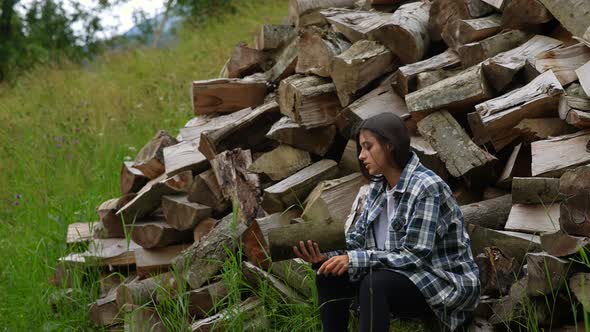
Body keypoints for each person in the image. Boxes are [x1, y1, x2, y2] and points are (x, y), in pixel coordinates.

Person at [293, 112, 480, 332]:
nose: (361, 156)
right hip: (397, 278)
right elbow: (356, 241)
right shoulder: (378, 188)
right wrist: (326, 258)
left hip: (440, 283)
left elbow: (413, 257)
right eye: (361, 148)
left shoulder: (426, 187)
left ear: (390, 145)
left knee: (374, 283)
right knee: (328, 275)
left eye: (368, 147)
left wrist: (353, 260)